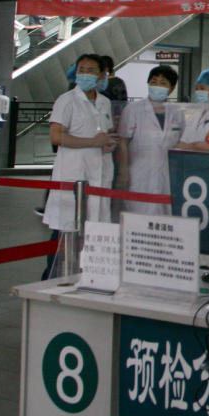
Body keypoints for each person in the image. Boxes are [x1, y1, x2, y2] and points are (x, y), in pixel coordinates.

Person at [43, 54, 118, 279]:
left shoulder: (104, 102)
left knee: (94, 232)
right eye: (81, 70)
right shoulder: (66, 100)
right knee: (64, 233)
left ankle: (89, 280)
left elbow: (104, 133)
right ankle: (51, 280)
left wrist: (108, 143)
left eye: (91, 70)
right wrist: (92, 142)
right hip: (73, 176)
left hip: (99, 174)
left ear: (102, 75)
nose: (85, 74)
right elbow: (56, 136)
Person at [116, 65, 185, 215]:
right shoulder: (133, 110)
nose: (157, 86)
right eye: (154, 82)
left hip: (167, 173)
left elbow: (181, 141)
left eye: (163, 83)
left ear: (172, 88)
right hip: (139, 172)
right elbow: (123, 142)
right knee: (138, 215)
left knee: (165, 216)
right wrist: (123, 172)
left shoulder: (177, 112)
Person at [178, 69, 209, 151]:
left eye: (202, 88)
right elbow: (182, 143)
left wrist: (190, 146)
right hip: (190, 157)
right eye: (197, 89)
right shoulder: (196, 115)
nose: (198, 92)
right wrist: (195, 146)